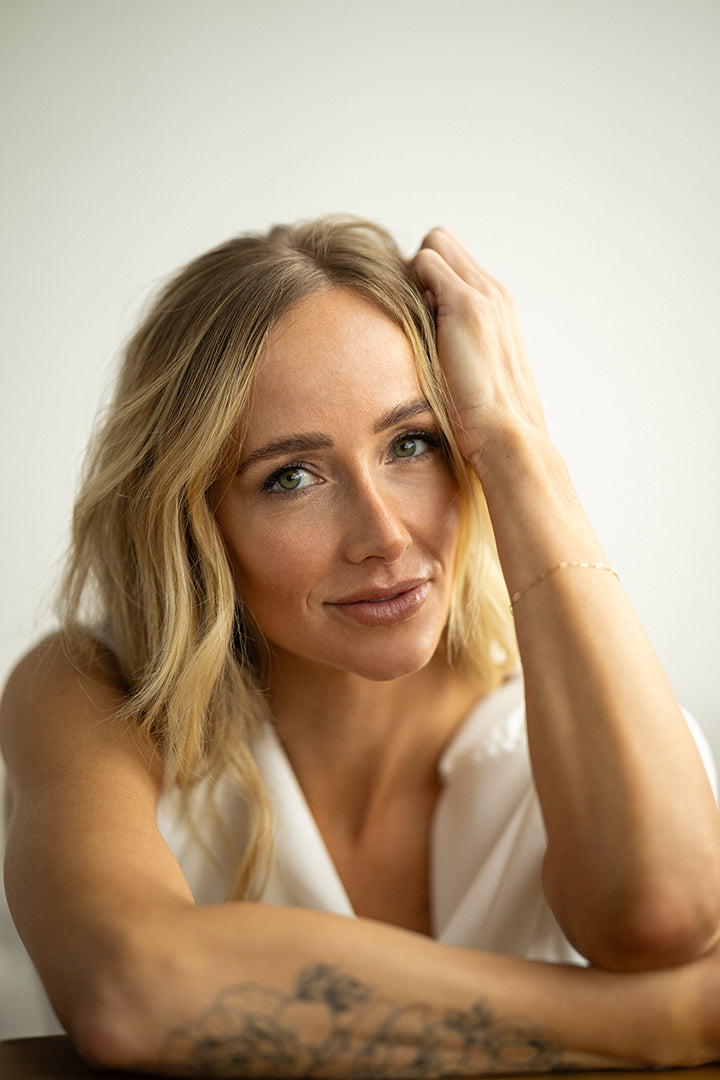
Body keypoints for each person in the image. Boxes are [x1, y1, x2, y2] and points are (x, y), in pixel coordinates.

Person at [2, 216, 720, 1074]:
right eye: (291, 477)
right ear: (193, 520)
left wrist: (518, 443)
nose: (384, 535)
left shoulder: (580, 728)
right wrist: (659, 1023)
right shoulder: (93, 692)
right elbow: (127, 988)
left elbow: (663, 916)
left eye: (413, 443)